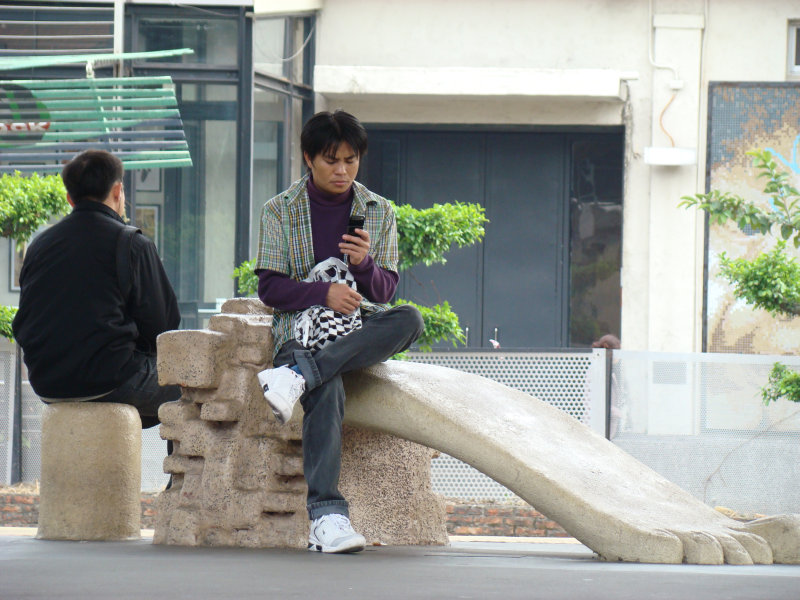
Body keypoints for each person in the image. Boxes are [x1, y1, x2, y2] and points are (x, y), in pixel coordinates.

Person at [255, 110, 423, 554]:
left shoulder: (377, 210)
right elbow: (269, 288)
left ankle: (297, 376)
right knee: (327, 390)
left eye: (351, 160)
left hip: (358, 326)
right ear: (309, 158)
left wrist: (364, 264)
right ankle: (327, 517)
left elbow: (384, 292)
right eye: (332, 160)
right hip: (301, 329)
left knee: (410, 319)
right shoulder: (279, 210)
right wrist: (322, 293)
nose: (342, 170)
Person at [12, 150, 181, 429]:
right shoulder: (131, 244)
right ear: (118, 191)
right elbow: (165, 327)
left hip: (46, 384)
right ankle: (181, 474)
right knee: (194, 387)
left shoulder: (39, 246)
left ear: (70, 198)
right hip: (112, 380)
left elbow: (27, 321)